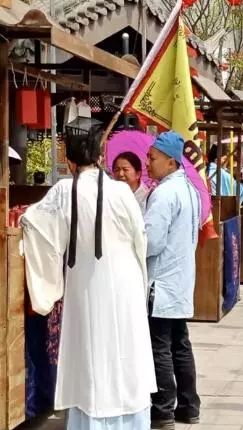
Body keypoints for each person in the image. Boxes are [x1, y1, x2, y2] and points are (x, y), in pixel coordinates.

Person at [21, 128, 156, 430]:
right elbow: (140, 238)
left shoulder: (62, 191)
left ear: (68, 162)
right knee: (126, 349)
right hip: (125, 283)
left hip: (85, 284)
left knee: (90, 348)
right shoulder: (121, 191)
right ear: (99, 158)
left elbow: (34, 224)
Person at [145, 131, 201, 429]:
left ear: (170, 162)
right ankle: (189, 405)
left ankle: (163, 408)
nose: (147, 163)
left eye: (152, 158)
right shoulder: (188, 189)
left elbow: (152, 241)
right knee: (180, 344)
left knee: (161, 346)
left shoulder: (165, 193)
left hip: (163, 282)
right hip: (178, 280)